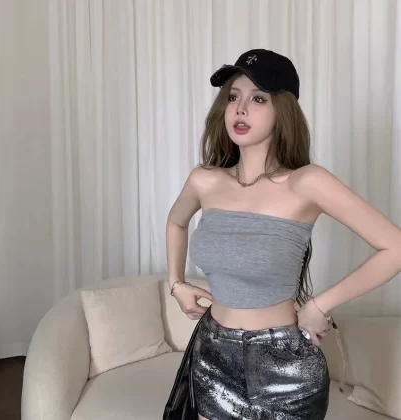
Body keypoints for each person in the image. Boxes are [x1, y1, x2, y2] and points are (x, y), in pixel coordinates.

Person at [165, 49, 401, 420]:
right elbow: (176, 222)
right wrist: (176, 283)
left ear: (283, 110)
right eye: (233, 97)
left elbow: (394, 247)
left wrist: (319, 305)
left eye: (258, 99)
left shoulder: (308, 183)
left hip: (287, 366)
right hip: (212, 356)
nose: (241, 109)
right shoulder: (204, 181)